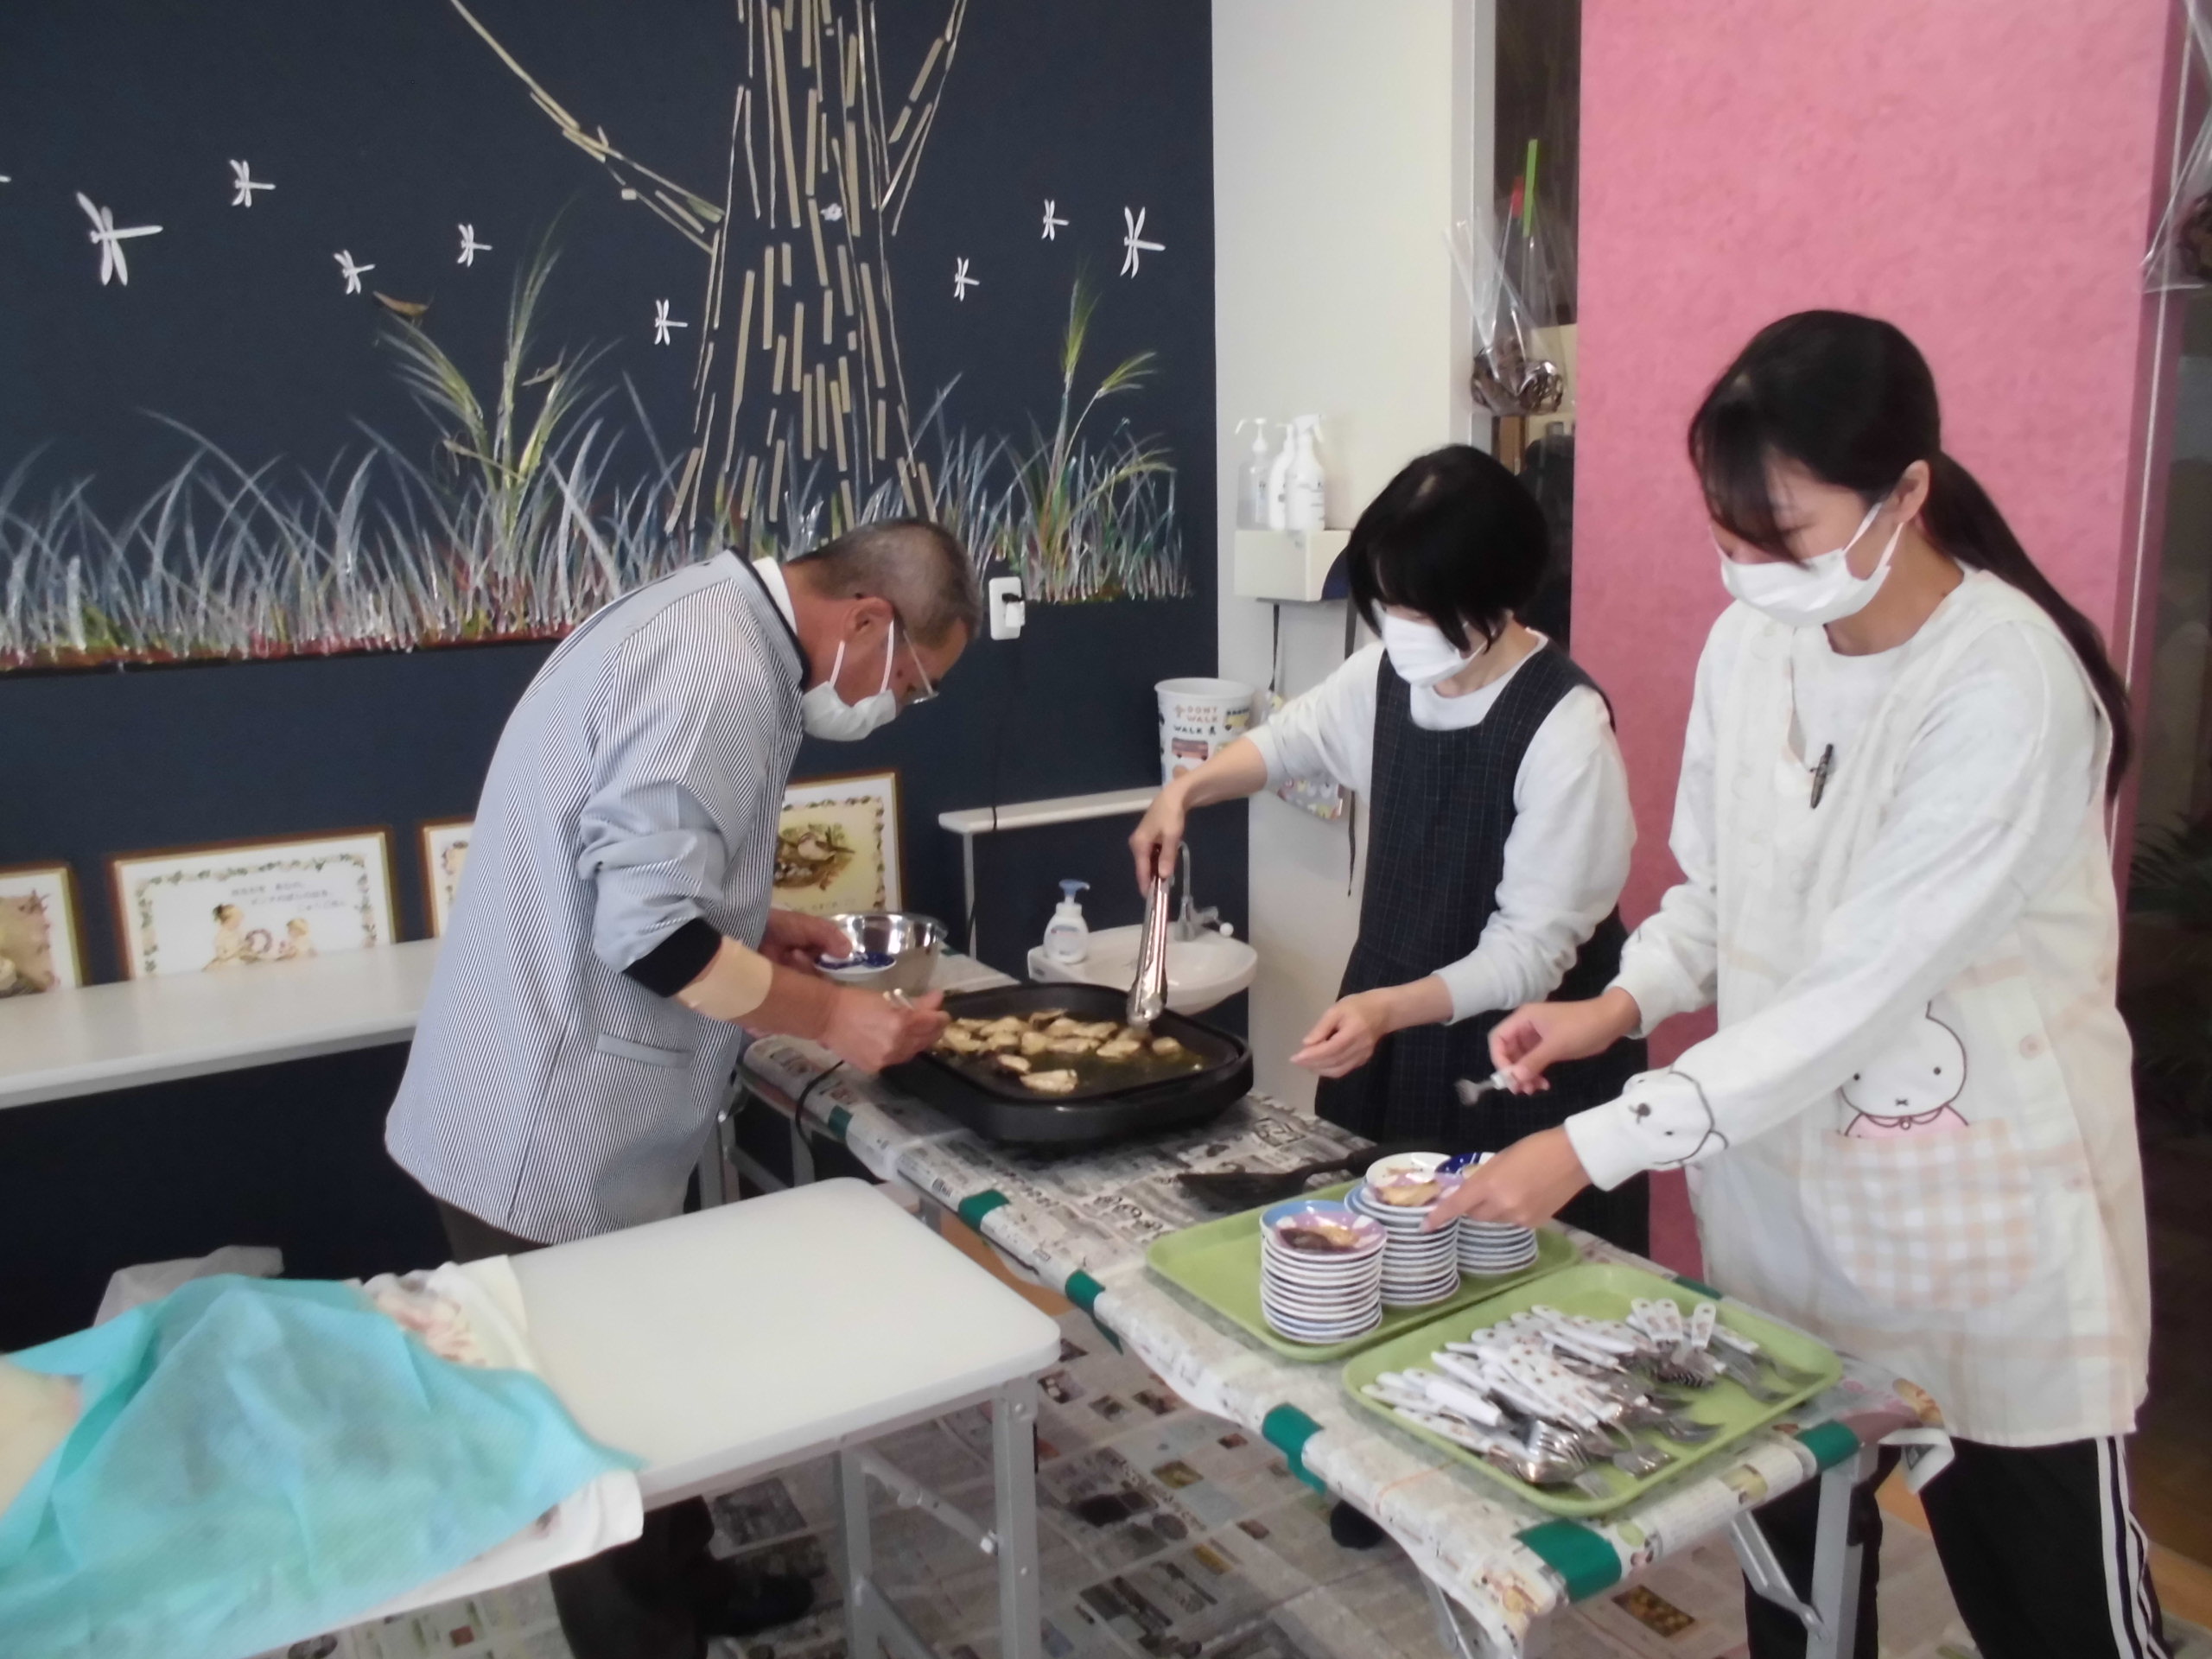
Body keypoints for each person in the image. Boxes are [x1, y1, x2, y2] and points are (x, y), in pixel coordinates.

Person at [1434, 313, 2166, 1659]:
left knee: (2055, 1613)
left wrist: (1590, 1145)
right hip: (1782, 1213)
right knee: (1800, 1593)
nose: (1752, 572)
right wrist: (1620, 1003)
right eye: (1731, 537)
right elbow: (1721, 894)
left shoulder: (2005, 684)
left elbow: (1856, 990)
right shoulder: (1751, 647)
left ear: (1908, 494)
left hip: (1978, 1236)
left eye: (1784, 537)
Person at [385, 519, 975, 1659]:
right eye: (909, 682)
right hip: (542, 1128)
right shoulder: (718, 675)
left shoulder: (705, 618)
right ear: (867, 618)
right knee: (592, 1445)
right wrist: (837, 1018)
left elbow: (638, 861)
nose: (895, 705)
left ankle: (693, 1589)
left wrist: (765, 924)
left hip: (552, 1094)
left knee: (646, 1387)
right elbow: (650, 936)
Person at [1130, 445, 1649, 1251]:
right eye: (1388, 606)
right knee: (1370, 1250)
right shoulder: (1381, 678)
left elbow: (1528, 954)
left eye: (1419, 609)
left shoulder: (1566, 729)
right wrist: (1185, 792)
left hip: (1521, 1054)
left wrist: (1388, 1008)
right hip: (1394, 1026)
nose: (1399, 630)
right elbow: (1291, 741)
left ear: (1496, 594)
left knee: (1509, 1269)